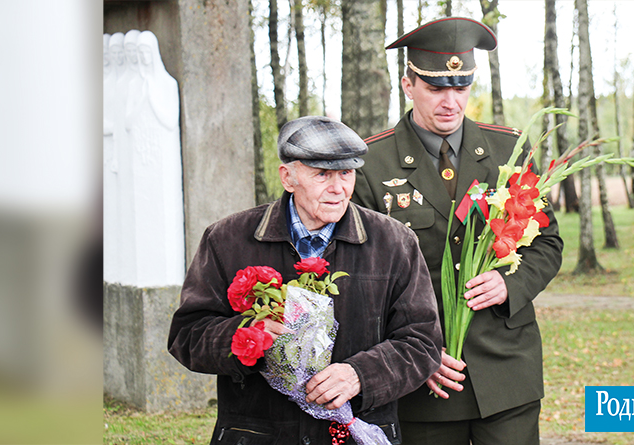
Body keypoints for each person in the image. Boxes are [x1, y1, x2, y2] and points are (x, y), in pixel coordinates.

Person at [352, 17, 563, 445]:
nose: (451, 101)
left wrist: (509, 284)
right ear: (408, 84)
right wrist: (412, 355)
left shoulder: (508, 150)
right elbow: (362, 277)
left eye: (461, 87)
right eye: (436, 88)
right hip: (420, 381)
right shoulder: (371, 165)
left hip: (506, 372)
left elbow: (547, 242)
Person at [168, 116, 442, 445]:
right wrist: (247, 338)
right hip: (258, 434)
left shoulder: (395, 242)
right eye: (322, 174)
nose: (338, 188)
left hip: (354, 434)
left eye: (346, 172)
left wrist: (359, 376)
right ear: (288, 177)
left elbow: (422, 343)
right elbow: (187, 335)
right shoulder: (227, 239)